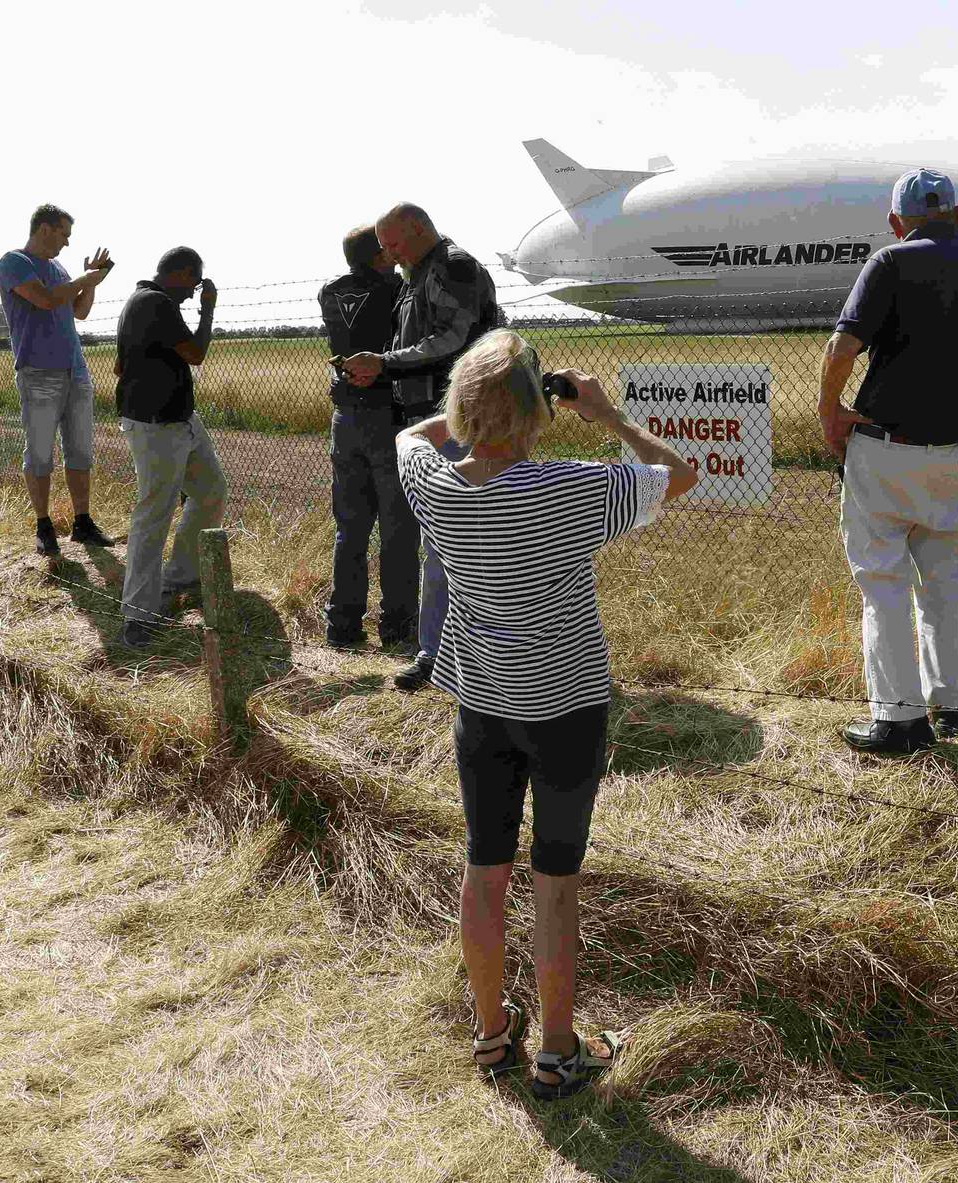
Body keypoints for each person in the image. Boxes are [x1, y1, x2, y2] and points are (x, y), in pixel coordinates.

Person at [395, 329, 696, 1098]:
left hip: (483, 704)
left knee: (483, 870)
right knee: (555, 882)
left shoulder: (434, 486)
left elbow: (411, 436)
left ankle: (492, 1034)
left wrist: (469, 411)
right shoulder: (572, 489)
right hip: (566, 707)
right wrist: (607, 413)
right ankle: (560, 1050)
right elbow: (677, 474)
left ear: (463, 405)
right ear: (540, 415)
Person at [817, 168, 958, 755]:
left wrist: (830, 409)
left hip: (885, 451)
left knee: (883, 581)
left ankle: (898, 718)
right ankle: (950, 705)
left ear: (897, 224)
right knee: (945, 584)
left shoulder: (888, 264)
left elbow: (842, 346)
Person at [341, 202, 502, 691]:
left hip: (460, 422)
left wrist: (386, 362)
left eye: (392, 244)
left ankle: (444, 656)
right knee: (445, 544)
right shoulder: (420, 273)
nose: (386, 255)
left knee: (454, 544)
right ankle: (446, 654)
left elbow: (454, 339)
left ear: (418, 230)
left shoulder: (453, 268)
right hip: (432, 423)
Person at [113, 247, 228, 649]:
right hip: (157, 425)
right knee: (154, 512)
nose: (194, 292)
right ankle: (137, 615)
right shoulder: (157, 303)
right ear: (180, 273)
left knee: (211, 491)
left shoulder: (138, 301)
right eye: (194, 283)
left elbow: (119, 367)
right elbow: (196, 354)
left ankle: (178, 578)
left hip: (178, 419)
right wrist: (208, 310)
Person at [0, 204, 118, 556]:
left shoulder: (60, 268)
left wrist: (91, 282)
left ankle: (83, 524)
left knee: (80, 451)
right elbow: (47, 300)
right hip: (38, 372)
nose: (66, 242)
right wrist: (82, 280)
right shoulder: (14, 262)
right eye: (64, 233)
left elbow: (79, 311)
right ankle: (44, 526)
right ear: (45, 228)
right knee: (39, 454)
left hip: (75, 370)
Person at [319, 225, 416, 649]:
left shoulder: (330, 292)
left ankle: (342, 624)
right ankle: (396, 626)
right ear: (377, 255)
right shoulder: (397, 290)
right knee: (398, 527)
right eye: (388, 249)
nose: (394, 254)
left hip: (346, 415)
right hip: (388, 413)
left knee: (351, 527)